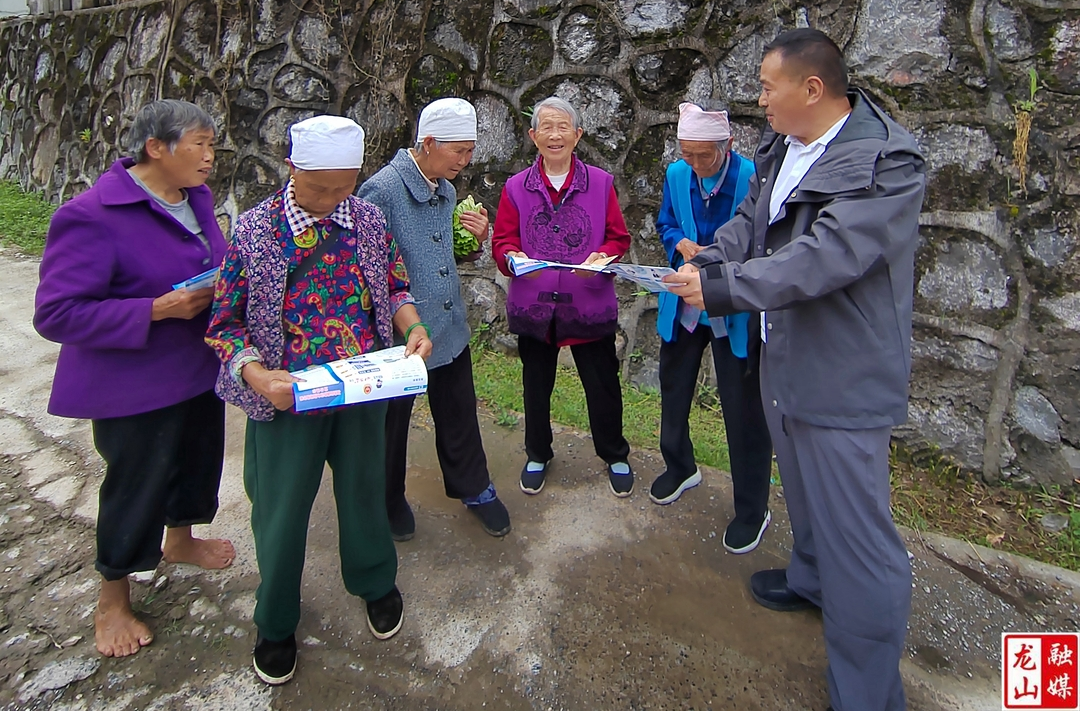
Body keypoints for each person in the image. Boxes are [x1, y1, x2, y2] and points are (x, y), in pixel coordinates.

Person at [663, 29, 926, 711]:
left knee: (860, 540)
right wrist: (706, 263)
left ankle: (868, 692)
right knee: (806, 497)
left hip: (843, 377)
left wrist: (720, 289)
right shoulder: (784, 148)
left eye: (765, 84)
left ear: (812, 89)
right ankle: (811, 578)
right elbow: (751, 225)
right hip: (787, 362)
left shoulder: (887, 162)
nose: (758, 97)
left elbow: (825, 257)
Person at [206, 115, 433, 686]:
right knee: (279, 512)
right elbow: (225, 323)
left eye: (344, 187)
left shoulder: (368, 220)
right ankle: (276, 619)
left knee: (364, 491)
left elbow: (394, 286)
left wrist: (411, 327)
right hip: (288, 398)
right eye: (320, 189)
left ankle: (376, 581)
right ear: (291, 169)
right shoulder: (256, 230)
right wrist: (258, 378)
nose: (334, 201)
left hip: (360, 390)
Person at [33, 99, 234, 658]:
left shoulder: (196, 199)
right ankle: (113, 599)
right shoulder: (91, 215)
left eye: (212, 146)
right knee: (136, 484)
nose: (211, 158)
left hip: (196, 367)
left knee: (197, 460)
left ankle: (181, 539)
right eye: (201, 145)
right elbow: (56, 313)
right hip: (134, 383)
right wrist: (154, 310)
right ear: (157, 148)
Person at [358, 98, 511, 540]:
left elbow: (443, 253)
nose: (465, 162)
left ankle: (474, 487)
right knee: (392, 423)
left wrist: (475, 241)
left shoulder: (444, 188)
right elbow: (372, 273)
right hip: (400, 333)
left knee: (459, 409)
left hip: (448, 325)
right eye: (458, 152)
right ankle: (386, 499)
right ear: (428, 143)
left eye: (469, 151)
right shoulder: (382, 192)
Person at [491, 96, 634, 497]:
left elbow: (617, 237)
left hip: (587, 303)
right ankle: (537, 452)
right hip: (535, 306)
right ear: (533, 136)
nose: (555, 135)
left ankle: (614, 453)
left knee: (602, 384)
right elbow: (502, 240)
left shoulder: (601, 183)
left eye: (563, 128)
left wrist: (602, 256)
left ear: (577, 135)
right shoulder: (516, 187)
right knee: (535, 385)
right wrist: (511, 256)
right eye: (546, 128)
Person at [652, 102, 773, 554]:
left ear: (728, 146)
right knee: (674, 387)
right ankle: (680, 465)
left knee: (743, 410)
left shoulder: (751, 181)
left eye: (705, 155)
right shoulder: (677, 175)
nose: (696, 164)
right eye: (688, 154)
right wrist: (677, 243)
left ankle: (752, 509)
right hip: (684, 302)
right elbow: (665, 222)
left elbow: (760, 244)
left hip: (733, 308)